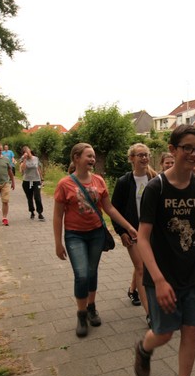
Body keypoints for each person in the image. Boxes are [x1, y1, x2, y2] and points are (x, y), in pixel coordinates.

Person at [133, 125, 195, 376]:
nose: (193, 153)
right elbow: (143, 238)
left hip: (191, 274)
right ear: (172, 149)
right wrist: (158, 280)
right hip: (161, 276)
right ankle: (144, 348)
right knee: (164, 334)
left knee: (191, 329)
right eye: (187, 147)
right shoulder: (157, 188)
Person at [54, 143, 138, 338]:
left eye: (93, 156)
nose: (92, 159)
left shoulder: (99, 180)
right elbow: (58, 216)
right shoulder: (64, 184)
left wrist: (128, 226)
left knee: (92, 272)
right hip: (74, 235)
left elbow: (109, 208)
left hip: (96, 234)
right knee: (82, 274)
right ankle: (81, 314)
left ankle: (91, 307)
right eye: (88, 156)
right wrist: (58, 243)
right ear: (76, 158)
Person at [111, 143, 157, 313]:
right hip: (133, 232)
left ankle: (132, 290)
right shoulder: (124, 182)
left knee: (142, 264)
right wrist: (121, 232)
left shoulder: (155, 179)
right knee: (141, 268)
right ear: (132, 158)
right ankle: (150, 313)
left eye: (146, 155)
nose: (144, 158)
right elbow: (115, 209)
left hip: (153, 232)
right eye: (140, 155)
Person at [19, 146, 45, 220]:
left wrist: (41, 178)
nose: (27, 153)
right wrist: (24, 159)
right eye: (25, 152)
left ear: (30, 151)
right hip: (27, 181)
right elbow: (23, 169)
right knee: (29, 197)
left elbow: (38, 168)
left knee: (37, 197)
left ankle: (40, 213)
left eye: (28, 151)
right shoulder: (22, 159)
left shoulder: (36, 158)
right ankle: (32, 212)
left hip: (36, 181)